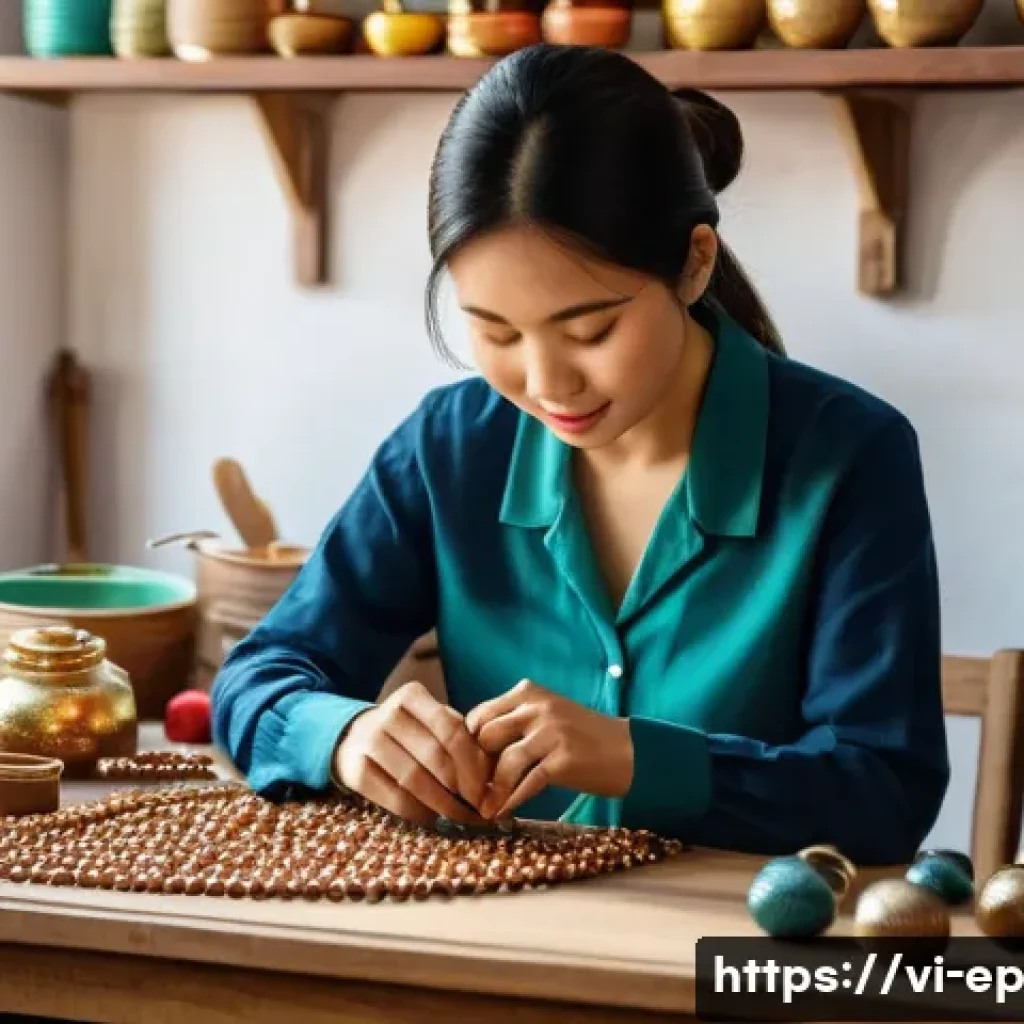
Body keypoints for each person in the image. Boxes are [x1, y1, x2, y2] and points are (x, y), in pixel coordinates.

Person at [211, 43, 949, 865]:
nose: (544, 381)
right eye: (494, 331)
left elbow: (885, 790)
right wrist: (345, 734)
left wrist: (637, 757)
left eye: (590, 329)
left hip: (730, 961)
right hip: (485, 946)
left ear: (694, 262)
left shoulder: (850, 457)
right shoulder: (447, 448)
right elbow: (259, 676)